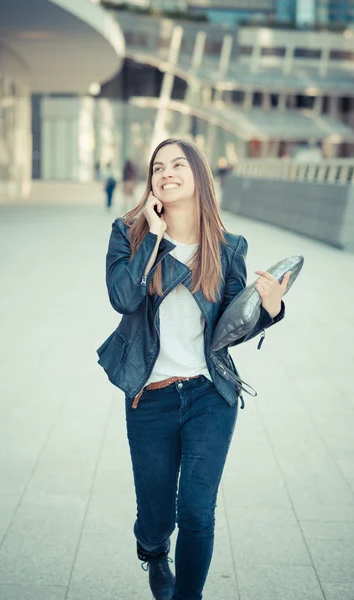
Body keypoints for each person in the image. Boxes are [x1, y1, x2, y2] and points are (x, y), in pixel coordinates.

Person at [97, 138, 289, 600]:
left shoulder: (228, 247)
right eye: (158, 166)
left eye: (178, 164)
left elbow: (231, 328)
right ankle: (153, 548)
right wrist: (154, 236)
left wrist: (269, 308)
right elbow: (123, 298)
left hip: (209, 394)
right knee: (157, 515)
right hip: (151, 395)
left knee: (198, 511)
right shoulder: (128, 234)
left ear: (199, 175)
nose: (167, 172)